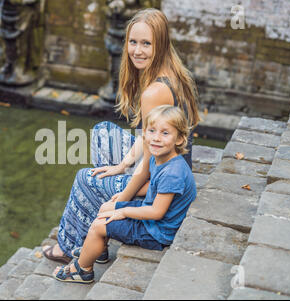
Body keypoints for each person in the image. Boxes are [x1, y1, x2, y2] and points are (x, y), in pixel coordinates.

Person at [42, 8, 200, 264]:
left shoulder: (155, 91)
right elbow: (147, 137)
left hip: (163, 178)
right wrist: (122, 165)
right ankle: (97, 239)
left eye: (146, 44)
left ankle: (70, 247)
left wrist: (121, 200)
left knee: (86, 178)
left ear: (160, 45)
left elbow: (148, 165)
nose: (137, 50)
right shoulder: (171, 72)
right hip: (172, 162)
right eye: (133, 42)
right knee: (102, 132)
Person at [52, 105, 197, 283]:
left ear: (180, 139)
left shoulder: (173, 172)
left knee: (99, 225)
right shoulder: (160, 158)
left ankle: (82, 270)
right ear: (144, 133)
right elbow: (155, 188)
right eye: (151, 131)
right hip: (151, 215)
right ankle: (98, 248)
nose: (156, 138)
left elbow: (157, 212)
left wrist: (124, 211)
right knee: (107, 206)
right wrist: (120, 199)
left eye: (165, 133)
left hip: (157, 231)